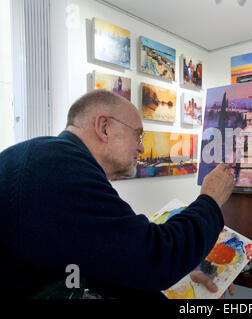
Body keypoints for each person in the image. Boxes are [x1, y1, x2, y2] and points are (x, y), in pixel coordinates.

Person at [0, 90, 236, 299]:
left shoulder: (51, 159)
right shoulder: (57, 167)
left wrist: (184, 270)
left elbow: (107, 261)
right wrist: (210, 200)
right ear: (104, 127)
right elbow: (155, 259)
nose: (142, 147)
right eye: (138, 135)